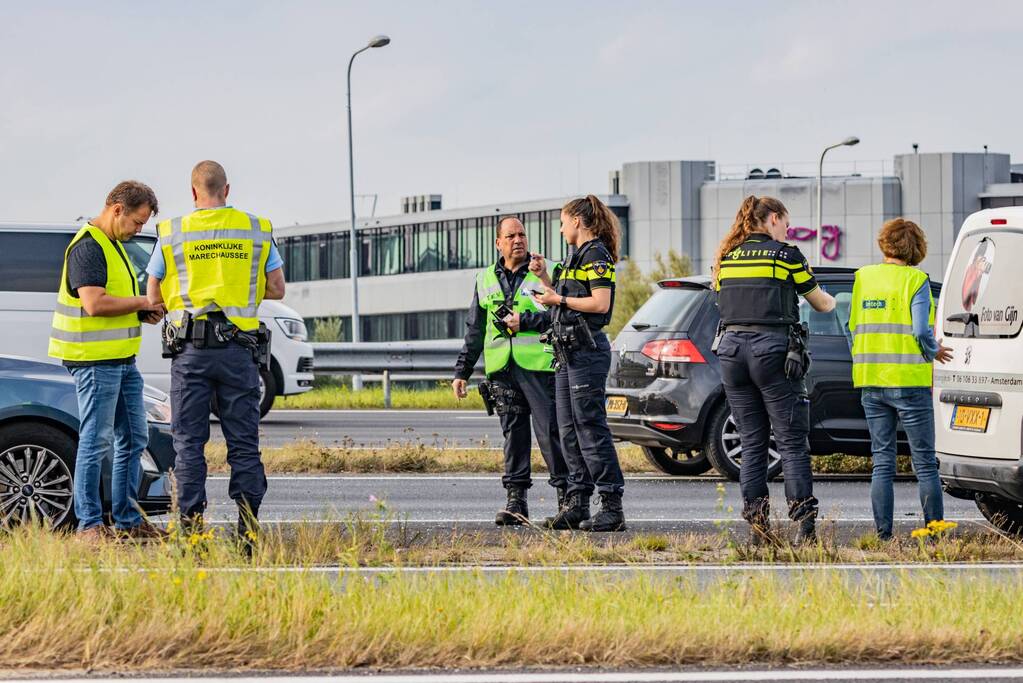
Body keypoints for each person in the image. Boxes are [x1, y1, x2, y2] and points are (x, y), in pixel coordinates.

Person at [146, 161, 285, 545]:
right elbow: (277, 288)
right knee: (244, 441)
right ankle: (248, 531)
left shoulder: (173, 232)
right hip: (239, 353)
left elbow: (154, 293)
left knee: (188, 443)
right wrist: (241, 293)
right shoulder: (255, 229)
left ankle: (192, 535)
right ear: (227, 190)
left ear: (193, 193)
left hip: (190, 352)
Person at [712, 195, 836, 545]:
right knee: (792, 441)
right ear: (773, 219)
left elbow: (720, 298)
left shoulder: (727, 257)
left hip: (732, 352)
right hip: (773, 352)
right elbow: (821, 303)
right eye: (785, 222)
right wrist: (830, 297)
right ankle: (805, 529)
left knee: (752, 443)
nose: (787, 229)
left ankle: (757, 530)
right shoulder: (785, 255)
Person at [48, 180, 167, 541]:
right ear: (117, 210)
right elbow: (95, 304)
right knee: (96, 440)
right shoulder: (88, 246)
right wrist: (143, 304)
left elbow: (115, 303)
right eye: (137, 222)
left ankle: (128, 521)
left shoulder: (115, 246)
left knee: (133, 437)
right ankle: (90, 526)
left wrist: (140, 314)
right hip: (95, 361)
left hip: (121, 360)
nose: (139, 230)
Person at [452, 217, 569, 524]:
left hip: (539, 367)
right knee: (513, 437)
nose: (518, 240)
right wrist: (462, 371)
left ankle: (567, 498)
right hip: (502, 369)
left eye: (522, 235)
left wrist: (526, 322)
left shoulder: (546, 271)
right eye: (511, 236)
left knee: (551, 434)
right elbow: (475, 329)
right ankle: (516, 503)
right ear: (498, 243)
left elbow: (562, 315)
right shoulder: (485, 278)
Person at [524, 195, 625, 532]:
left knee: (590, 428)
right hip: (567, 352)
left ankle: (612, 506)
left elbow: (599, 303)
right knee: (567, 429)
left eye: (564, 221)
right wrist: (545, 280)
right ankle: (577, 502)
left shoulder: (597, 255)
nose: (561, 227)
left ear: (578, 221)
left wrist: (558, 298)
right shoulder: (575, 257)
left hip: (587, 352)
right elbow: (565, 298)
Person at [848, 218, 953, 540]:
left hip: (871, 380)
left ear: (885, 244)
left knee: (882, 461)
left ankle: (883, 535)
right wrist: (933, 351)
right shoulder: (916, 280)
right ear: (916, 247)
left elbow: (853, 325)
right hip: (909, 380)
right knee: (923, 463)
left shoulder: (863, 278)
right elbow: (921, 329)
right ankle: (934, 534)